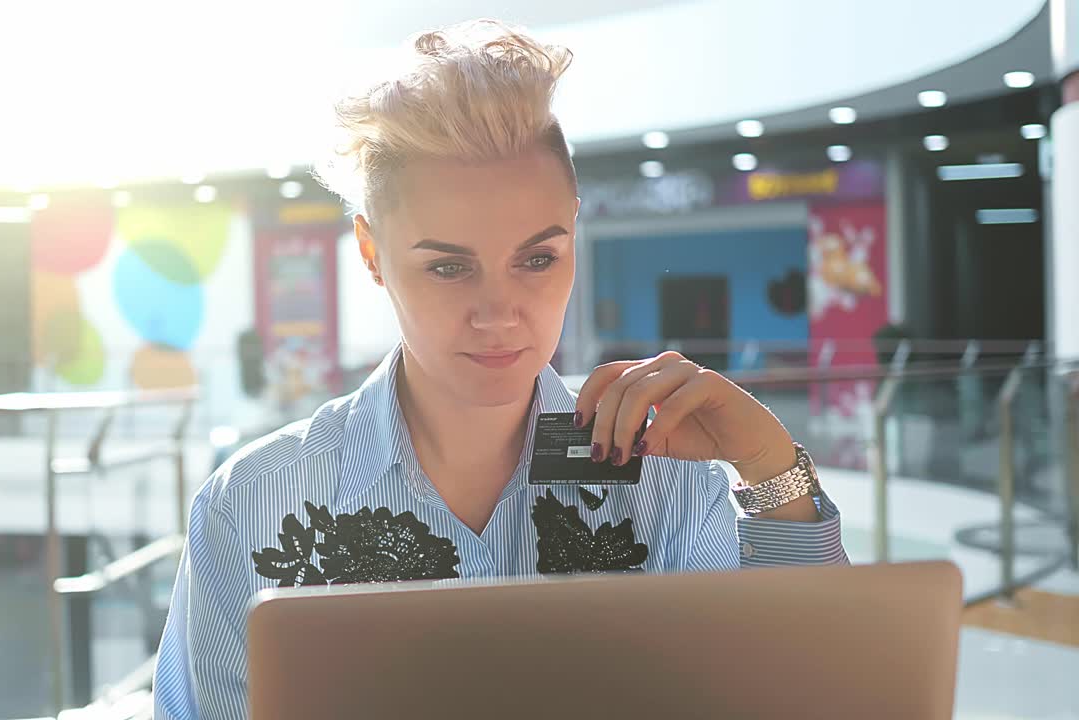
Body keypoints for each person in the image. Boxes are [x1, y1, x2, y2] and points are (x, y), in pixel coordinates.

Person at [153, 19, 847, 719]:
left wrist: (767, 464)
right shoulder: (251, 505)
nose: (499, 315)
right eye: (449, 267)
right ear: (371, 250)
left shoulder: (667, 484)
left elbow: (805, 700)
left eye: (537, 259)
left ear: (573, 234)